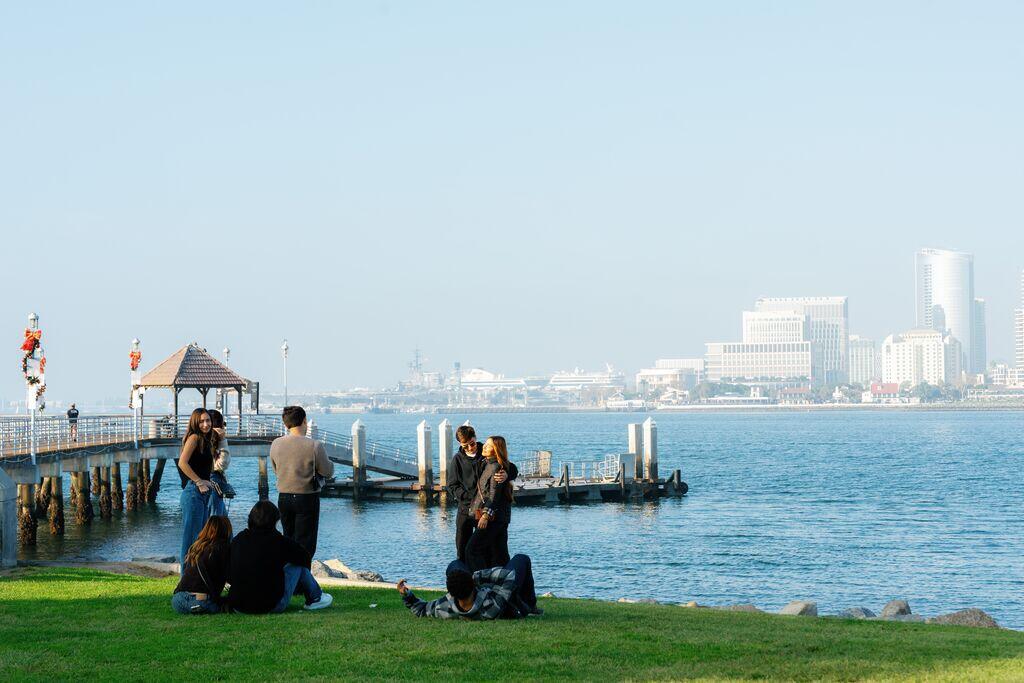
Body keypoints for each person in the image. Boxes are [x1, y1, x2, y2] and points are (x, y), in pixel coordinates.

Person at [227, 501, 333, 614]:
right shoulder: (279, 541)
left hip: (238, 605)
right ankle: (315, 597)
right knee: (297, 563)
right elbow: (304, 557)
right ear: (274, 521)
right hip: (270, 605)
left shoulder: (239, 539)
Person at [270, 406, 334, 558]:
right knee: (306, 544)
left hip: (284, 497)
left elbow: (275, 469)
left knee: (288, 539)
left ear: (286, 424)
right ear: (304, 421)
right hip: (307, 497)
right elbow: (327, 471)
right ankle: (301, 579)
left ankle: (287, 576)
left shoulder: (276, 444)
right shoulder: (314, 445)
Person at [447, 425, 517, 562]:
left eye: (472, 444)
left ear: (475, 438)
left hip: (485, 509)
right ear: (460, 444)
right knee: (462, 548)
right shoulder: (457, 460)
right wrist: (468, 498)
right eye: (465, 446)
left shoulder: (486, 452)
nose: (470, 448)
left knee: (487, 548)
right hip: (465, 509)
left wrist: (507, 474)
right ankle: (464, 579)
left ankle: (484, 576)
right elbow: (451, 485)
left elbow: (510, 466)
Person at [397, 554, 541, 619]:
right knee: (521, 558)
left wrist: (407, 595)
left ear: (451, 593)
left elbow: (421, 609)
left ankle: (462, 576)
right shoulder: (493, 606)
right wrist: (475, 577)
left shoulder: (446, 607)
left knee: (455, 565)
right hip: (503, 597)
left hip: (477, 591)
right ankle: (531, 604)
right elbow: (507, 575)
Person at [176, 408, 223, 573]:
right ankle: (185, 579)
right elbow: (182, 463)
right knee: (190, 540)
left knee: (200, 539)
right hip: (193, 494)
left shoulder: (206, 439)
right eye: (202, 421)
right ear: (195, 422)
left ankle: (194, 576)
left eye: (208, 420)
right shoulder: (194, 438)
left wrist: (207, 482)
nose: (206, 424)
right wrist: (198, 482)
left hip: (202, 495)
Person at [465, 436, 515, 571]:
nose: (484, 447)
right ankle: (504, 584)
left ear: (496, 450)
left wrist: (486, 515)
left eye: (488, 446)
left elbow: (494, 494)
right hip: (495, 517)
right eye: (485, 444)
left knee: (472, 550)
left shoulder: (496, 467)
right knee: (499, 554)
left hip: (493, 518)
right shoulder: (486, 462)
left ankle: (482, 583)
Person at [172, 515, 232, 615]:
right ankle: (199, 606)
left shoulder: (196, 547)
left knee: (201, 604)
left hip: (178, 599)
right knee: (222, 604)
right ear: (226, 530)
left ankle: (194, 607)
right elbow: (230, 576)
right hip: (202, 598)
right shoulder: (222, 548)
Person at [207, 410, 235, 516]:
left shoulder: (209, 439)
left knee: (221, 519)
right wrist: (223, 439)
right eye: (223, 424)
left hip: (212, 480)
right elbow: (221, 464)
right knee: (217, 520)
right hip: (213, 481)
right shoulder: (212, 440)